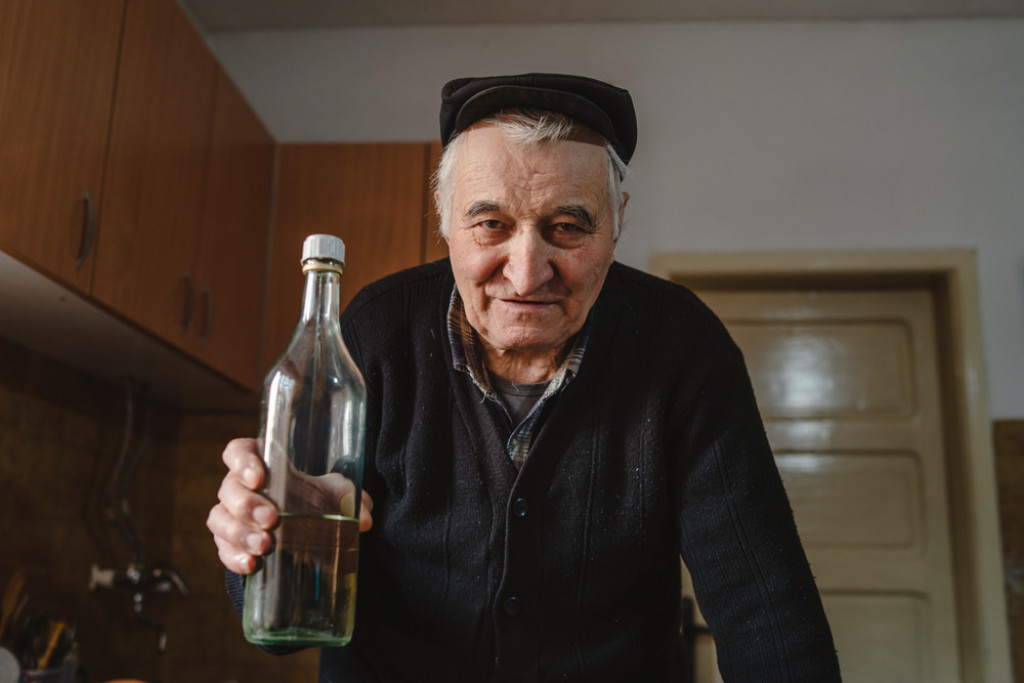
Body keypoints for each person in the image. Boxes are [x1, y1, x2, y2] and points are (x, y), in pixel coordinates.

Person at [207, 73, 842, 682]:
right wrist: (257, 544)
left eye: (567, 227)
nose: (528, 271)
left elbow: (764, 611)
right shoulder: (377, 331)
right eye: (492, 225)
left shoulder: (683, 349)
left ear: (617, 220)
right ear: (444, 219)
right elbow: (293, 606)